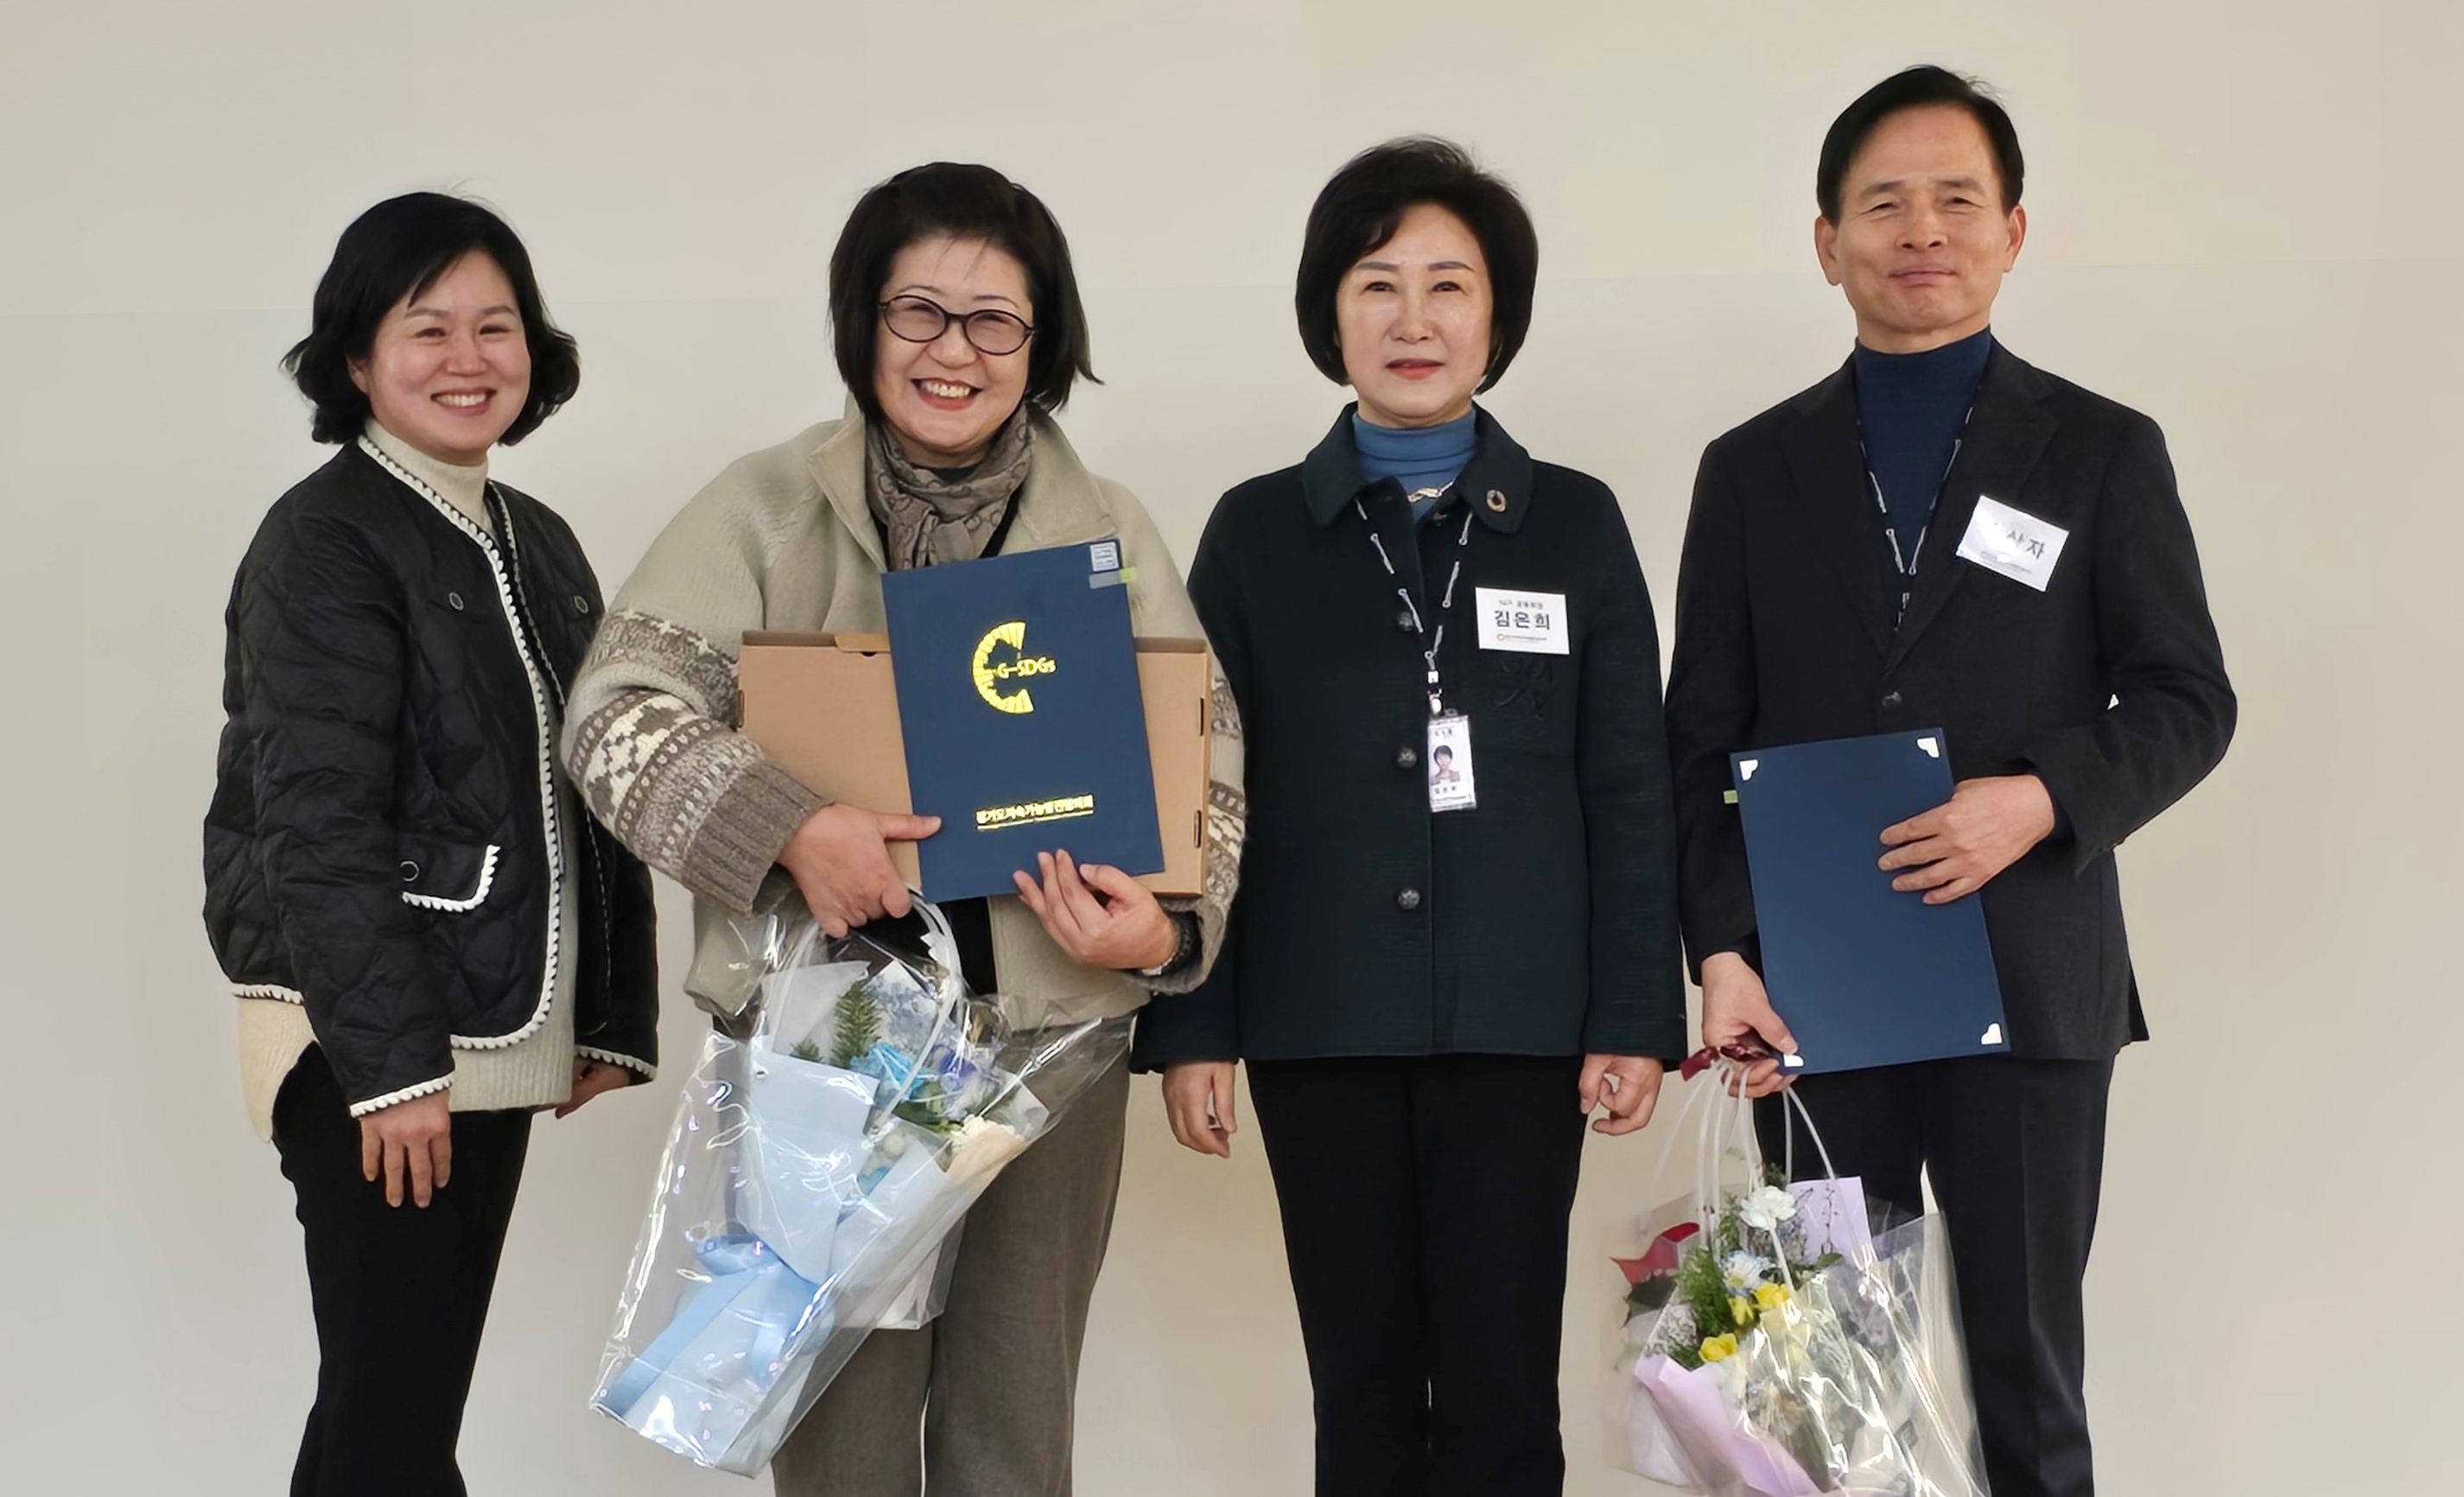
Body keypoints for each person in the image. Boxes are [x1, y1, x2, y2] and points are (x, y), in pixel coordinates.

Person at [560, 162, 1243, 1496]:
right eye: (918, 311)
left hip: (1054, 1047)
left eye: (995, 320)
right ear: (862, 323)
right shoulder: (762, 507)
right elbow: (611, 717)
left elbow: (1204, 754)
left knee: (1016, 1438)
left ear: (1043, 345)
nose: (953, 350)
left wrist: (1164, 929)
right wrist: (789, 826)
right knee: (840, 1441)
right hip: (831, 1045)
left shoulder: (1112, 530)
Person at [1664, 67, 2236, 1497]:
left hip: (2029, 984)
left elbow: (2188, 699)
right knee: (1823, 1391)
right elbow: (1699, 740)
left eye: (1956, 200)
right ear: (1827, 241)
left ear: (2013, 231)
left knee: (2026, 1376)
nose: (1922, 230)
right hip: (1815, 996)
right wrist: (1723, 949)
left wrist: (2036, 797)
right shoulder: (1750, 470)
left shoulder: (2102, 451)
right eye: (1885, 204)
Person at [1131, 138, 1686, 1497]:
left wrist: (1632, 1012)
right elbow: (1200, 788)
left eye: (1451, 284)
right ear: (1331, 312)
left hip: (1523, 1029)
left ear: (1499, 316)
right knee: (1362, 1391)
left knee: (1503, 1392)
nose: (1414, 318)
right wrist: (1194, 1024)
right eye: (1379, 283)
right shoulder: (1256, 533)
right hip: (1318, 1023)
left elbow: (1630, 785)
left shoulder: (1575, 525)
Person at [202, 192, 660, 1496]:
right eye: (428, 328)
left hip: (486, 1029)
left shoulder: (534, 537)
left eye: (495, 326)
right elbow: (317, 822)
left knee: (391, 1421)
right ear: (358, 358)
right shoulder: (325, 538)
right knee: (391, 1429)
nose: (469, 358)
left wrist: (606, 1016)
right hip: (375, 1046)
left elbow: (590, 775)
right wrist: (392, 1069)